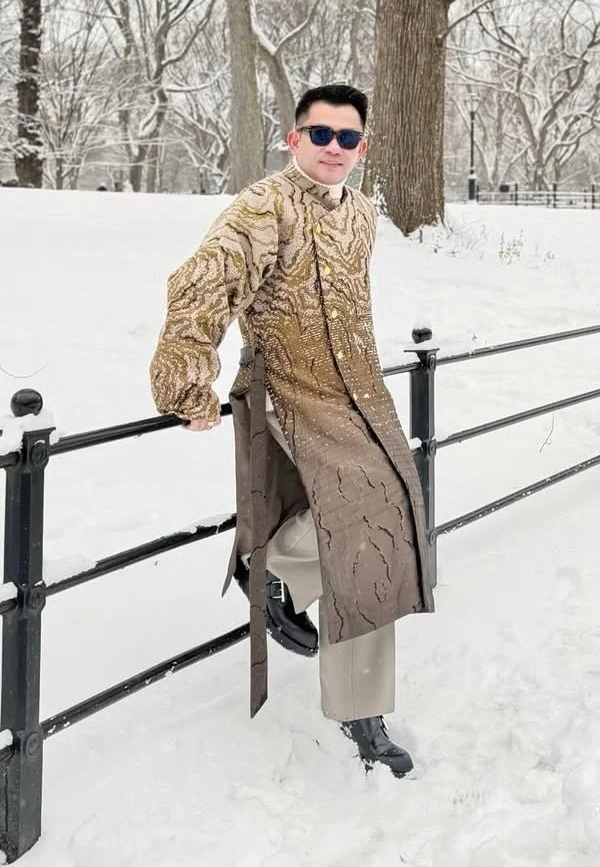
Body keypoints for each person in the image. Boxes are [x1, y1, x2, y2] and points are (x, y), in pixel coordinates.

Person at [149, 83, 433, 776]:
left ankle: (352, 691)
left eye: (348, 138)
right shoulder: (263, 207)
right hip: (287, 390)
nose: (334, 148)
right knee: (363, 517)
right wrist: (188, 383)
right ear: (294, 138)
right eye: (321, 134)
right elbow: (202, 283)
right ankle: (274, 573)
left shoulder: (361, 213)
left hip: (357, 392)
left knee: (390, 519)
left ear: (362, 148)